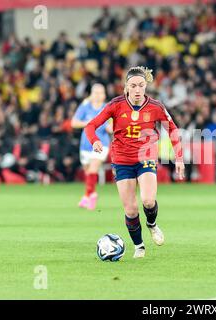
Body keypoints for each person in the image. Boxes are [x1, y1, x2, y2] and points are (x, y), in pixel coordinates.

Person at [85, 66, 185, 258]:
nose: (137, 89)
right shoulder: (116, 105)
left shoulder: (155, 106)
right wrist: (95, 140)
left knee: (148, 200)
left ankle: (152, 225)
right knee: (131, 209)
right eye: (133, 86)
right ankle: (139, 246)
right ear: (126, 87)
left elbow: (172, 129)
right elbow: (91, 126)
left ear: (146, 86)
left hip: (145, 157)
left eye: (141, 85)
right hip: (122, 160)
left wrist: (179, 157)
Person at [71, 83, 112, 210]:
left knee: (93, 169)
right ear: (91, 94)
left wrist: (111, 128)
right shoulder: (85, 107)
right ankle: (91, 194)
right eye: (96, 92)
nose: (98, 95)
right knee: (88, 171)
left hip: (101, 143)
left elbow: (111, 126)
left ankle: (88, 197)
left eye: (101, 92)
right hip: (85, 143)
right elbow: (74, 123)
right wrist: (88, 123)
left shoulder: (108, 108)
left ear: (104, 95)